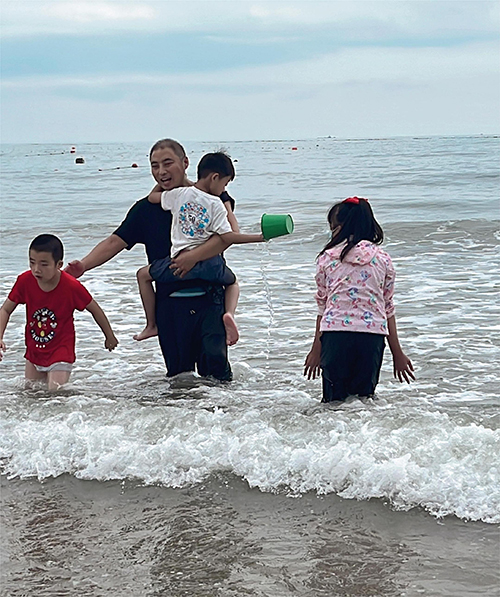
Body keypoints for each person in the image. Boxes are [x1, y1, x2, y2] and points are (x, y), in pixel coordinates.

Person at [64, 139, 236, 381]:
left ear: (185, 163)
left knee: (218, 379)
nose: (161, 172)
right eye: (154, 166)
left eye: (168, 163)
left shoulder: (211, 199)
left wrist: (193, 256)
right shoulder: (145, 210)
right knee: (180, 381)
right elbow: (115, 241)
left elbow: (227, 236)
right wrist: (83, 265)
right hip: (170, 305)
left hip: (210, 300)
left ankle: (231, 418)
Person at [134, 151, 264, 344]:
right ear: (215, 178)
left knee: (143, 275)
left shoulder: (179, 194)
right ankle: (229, 314)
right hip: (208, 264)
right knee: (232, 283)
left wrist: (172, 182)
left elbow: (153, 197)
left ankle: (151, 325)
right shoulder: (216, 204)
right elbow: (228, 236)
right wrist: (260, 237)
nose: (223, 189)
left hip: (177, 264)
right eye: (225, 184)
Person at [303, 197, 414, 401]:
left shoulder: (327, 258)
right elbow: (388, 308)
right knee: (364, 401)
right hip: (371, 338)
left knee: (333, 403)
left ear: (340, 227)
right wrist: (397, 353)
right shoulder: (383, 259)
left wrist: (315, 350)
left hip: (335, 337)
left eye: (333, 227)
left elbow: (323, 307)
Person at [0, 234, 118, 391]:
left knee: (56, 393)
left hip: (61, 350)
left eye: (44, 264)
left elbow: (95, 310)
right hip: (34, 350)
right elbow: (6, 309)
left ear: (58, 265)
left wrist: (109, 336)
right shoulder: (24, 281)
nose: (36, 269)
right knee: (30, 393)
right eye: (32, 262)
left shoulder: (71, 286)